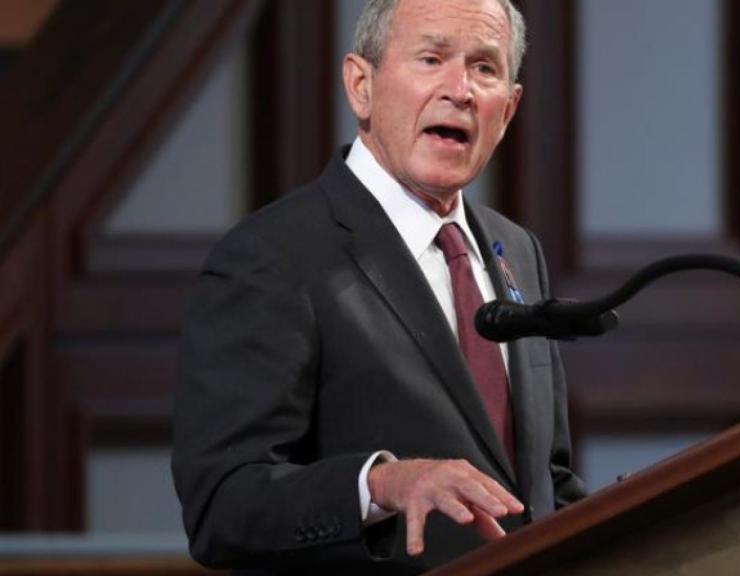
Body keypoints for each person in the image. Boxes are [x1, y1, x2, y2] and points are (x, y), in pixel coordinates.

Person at [171, 0, 585, 572]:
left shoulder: (517, 251)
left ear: (508, 109)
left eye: (485, 68)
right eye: (431, 58)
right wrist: (381, 483)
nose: (460, 89)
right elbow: (222, 505)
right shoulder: (272, 256)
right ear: (361, 86)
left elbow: (546, 481)